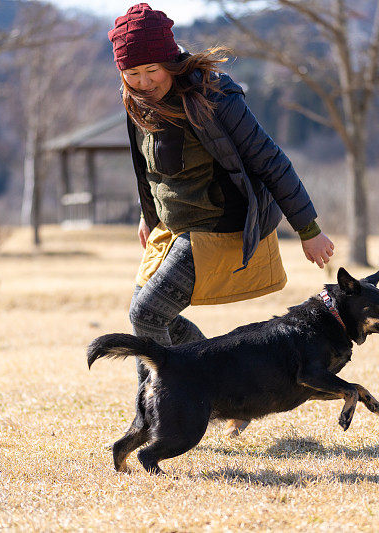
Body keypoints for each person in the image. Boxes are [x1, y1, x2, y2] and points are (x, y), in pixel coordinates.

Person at [108, 3, 334, 436]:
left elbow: (270, 161)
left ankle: (148, 422)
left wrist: (308, 229)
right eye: (131, 74)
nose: (142, 82)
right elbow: (147, 166)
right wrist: (148, 214)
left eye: (150, 70)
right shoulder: (136, 100)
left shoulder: (213, 97)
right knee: (154, 320)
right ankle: (214, 394)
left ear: (170, 60)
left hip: (217, 227)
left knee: (146, 316)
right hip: (174, 227)